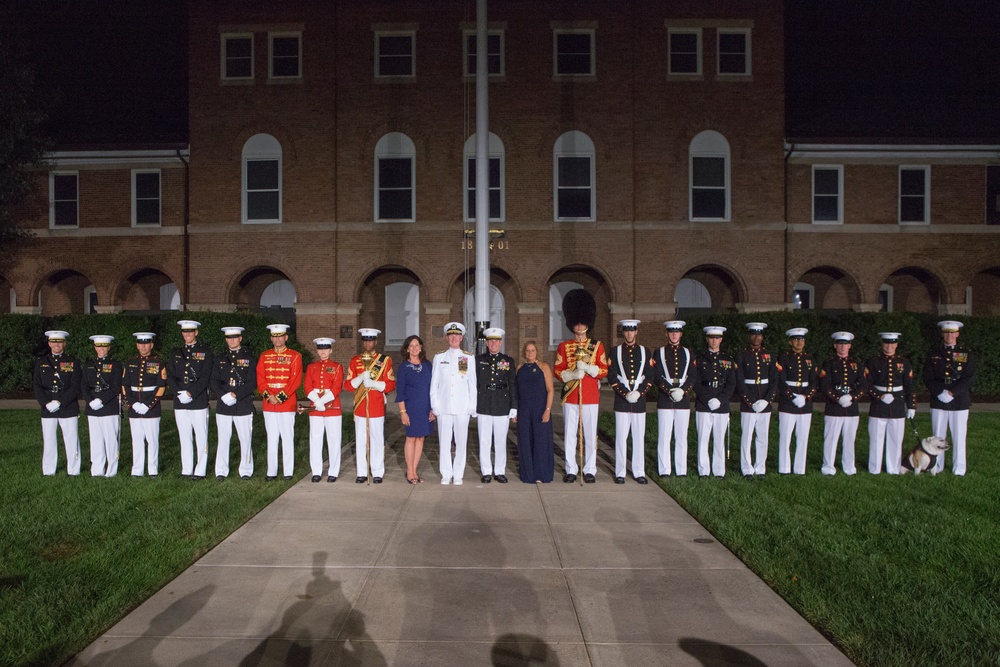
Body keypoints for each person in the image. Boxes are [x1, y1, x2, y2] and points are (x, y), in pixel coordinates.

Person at [554, 289, 608, 483]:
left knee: (590, 435)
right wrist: (571, 374)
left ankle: (590, 469)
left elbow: (603, 370)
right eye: (576, 321)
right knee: (570, 434)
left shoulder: (597, 346)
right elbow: (558, 371)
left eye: (582, 321)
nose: (579, 325)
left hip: (591, 396)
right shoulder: (563, 346)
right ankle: (571, 468)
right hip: (571, 397)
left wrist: (590, 369)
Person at [924, 320, 976, 476]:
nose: (949, 335)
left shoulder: (966, 353)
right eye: (946, 332)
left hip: (959, 400)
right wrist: (939, 392)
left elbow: (970, 378)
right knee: (938, 436)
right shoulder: (933, 353)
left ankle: (959, 468)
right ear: (942, 334)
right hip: (938, 398)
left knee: (959, 436)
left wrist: (952, 393)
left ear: (957, 334)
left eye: (952, 332)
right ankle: (937, 466)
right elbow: (927, 376)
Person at [345, 328, 395, 484]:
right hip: (360, 407)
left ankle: (377, 471)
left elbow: (391, 384)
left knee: (377, 440)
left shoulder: (384, 361)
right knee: (360, 440)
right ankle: (361, 472)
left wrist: (374, 383)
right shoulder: (355, 361)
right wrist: (360, 378)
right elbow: (348, 386)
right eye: (365, 340)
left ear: (376, 342)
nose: (368, 343)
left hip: (376, 406)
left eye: (370, 340)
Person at [430, 322, 477, 485]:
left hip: (462, 407)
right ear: (447, 338)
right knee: (444, 442)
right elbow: (434, 384)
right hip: (444, 407)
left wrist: (472, 406)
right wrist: (435, 405)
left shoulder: (468, 357)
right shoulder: (439, 357)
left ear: (461, 338)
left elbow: (472, 383)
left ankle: (458, 474)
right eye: (451, 335)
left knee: (461, 442)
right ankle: (446, 473)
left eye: (457, 335)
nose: (454, 338)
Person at [167, 319, 214, 479]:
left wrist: (190, 393)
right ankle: (186, 468)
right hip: (180, 400)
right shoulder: (175, 353)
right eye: (185, 332)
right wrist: (179, 392)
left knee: (201, 436)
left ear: (196, 333)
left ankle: (200, 469)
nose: (187, 334)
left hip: (198, 399)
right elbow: (171, 376)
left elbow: (206, 376)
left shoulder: (205, 352)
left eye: (190, 332)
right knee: (184, 436)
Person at [608, 319, 653, 484]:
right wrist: (624, 393)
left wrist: (640, 393)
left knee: (638, 437)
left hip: (639, 401)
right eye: (626, 331)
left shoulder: (645, 351)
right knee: (621, 438)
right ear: (623, 333)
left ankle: (639, 471)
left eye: (632, 330)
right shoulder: (614, 352)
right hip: (622, 401)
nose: (629, 333)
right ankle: (620, 472)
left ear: (636, 332)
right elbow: (612, 375)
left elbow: (650, 375)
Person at [864, 332, 915, 475]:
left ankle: (893, 468)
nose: (889, 346)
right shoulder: (873, 362)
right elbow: (867, 384)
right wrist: (879, 396)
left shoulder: (904, 362)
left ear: (896, 344)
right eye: (887, 343)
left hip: (897, 403)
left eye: (892, 343)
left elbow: (909, 386)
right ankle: (874, 468)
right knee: (875, 438)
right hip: (878, 404)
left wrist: (911, 406)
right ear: (882, 344)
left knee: (896, 439)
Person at [257, 323, 303, 481]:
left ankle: (288, 471)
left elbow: (295, 381)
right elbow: (260, 379)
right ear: (271, 338)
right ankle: (272, 471)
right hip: (269, 404)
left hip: (286, 403)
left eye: (280, 336)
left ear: (286, 337)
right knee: (271, 438)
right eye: (274, 336)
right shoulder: (264, 356)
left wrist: (280, 397)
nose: (277, 339)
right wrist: (269, 396)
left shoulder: (295, 356)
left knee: (287, 437)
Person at [33, 330, 81, 476]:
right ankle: (48, 470)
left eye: (59, 342)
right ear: (49, 344)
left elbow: (75, 385)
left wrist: (60, 402)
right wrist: (45, 403)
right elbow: (37, 385)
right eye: (54, 342)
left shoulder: (73, 362)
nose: (57, 345)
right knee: (49, 441)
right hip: (48, 407)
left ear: (64, 344)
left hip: (68, 406)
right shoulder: (41, 362)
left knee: (72, 439)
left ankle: (73, 470)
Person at [211, 326, 257, 480]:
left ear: (240, 339)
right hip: (224, 403)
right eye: (229, 338)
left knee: (245, 438)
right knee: (223, 438)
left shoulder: (249, 358)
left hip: (242, 403)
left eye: (235, 337)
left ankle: (246, 470)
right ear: (226, 340)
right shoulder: (220, 358)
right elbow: (214, 380)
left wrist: (236, 394)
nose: (232, 340)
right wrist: (222, 395)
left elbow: (252, 382)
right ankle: (221, 471)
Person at [652, 320, 695, 477]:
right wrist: (670, 390)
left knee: (681, 437)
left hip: (682, 400)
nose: (674, 334)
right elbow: (656, 375)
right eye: (671, 332)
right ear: (666, 334)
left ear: (681, 334)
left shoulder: (688, 352)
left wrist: (683, 391)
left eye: (677, 332)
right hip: (665, 399)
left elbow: (692, 375)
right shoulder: (659, 352)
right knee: (664, 436)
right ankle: (664, 469)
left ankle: (681, 470)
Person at [693, 326, 736, 478]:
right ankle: (703, 470)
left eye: (717, 338)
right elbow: (696, 382)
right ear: (707, 339)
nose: (714, 340)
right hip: (704, 404)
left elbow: (731, 383)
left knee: (719, 439)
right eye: (711, 337)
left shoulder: (728, 360)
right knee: (703, 439)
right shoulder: (699, 359)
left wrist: (720, 400)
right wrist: (707, 399)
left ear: (721, 339)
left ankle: (719, 471)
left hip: (721, 404)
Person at [476, 327, 518, 484]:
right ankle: (486, 471)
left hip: (502, 403)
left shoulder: (508, 361)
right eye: (491, 341)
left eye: (496, 341)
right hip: (484, 403)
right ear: (487, 343)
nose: (494, 344)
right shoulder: (478, 360)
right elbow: (474, 383)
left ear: (500, 343)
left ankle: (500, 471)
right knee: (484, 441)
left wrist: (514, 406)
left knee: (500, 441)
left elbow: (512, 384)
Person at [734, 322, 776, 478]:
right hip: (748, 402)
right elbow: (740, 380)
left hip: (764, 400)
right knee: (747, 436)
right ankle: (746, 467)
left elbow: (774, 380)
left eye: (759, 334)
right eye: (753, 334)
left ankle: (760, 467)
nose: (756, 337)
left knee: (763, 437)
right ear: (749, 336)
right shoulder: (742, 355)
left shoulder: (769, 355)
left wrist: (767, 400)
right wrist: (750, 401)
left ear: (762, 336)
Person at [818, 332, 863, 476]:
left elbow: (863, 385)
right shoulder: (829, 363)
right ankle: (828, 467)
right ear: (835, 345)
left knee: (850, 439)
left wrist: (852, 397)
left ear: (850, 346)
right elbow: (824, 385)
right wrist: (837, 398)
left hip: (851, 407)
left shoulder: (857, 364)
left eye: (845, 344)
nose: (843, 347)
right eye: (840, 344)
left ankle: (849, 467)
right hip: (833, 407)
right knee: (831, 438)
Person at [775, 328, 817, 475]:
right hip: (787, 402)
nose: (799, 342)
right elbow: (781, 381)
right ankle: (784, 468)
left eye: (802, 339)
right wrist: (792, 396)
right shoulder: (784, 358)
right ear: (790, 341)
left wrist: (805, 397)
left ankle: (800, 468)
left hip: (805, 403)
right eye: (796, 339)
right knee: (785, 437)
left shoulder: (810, 359)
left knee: (803, 437)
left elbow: (814, 382)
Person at [124, 332, 167, 477]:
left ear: (151, 345)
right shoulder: (130, 362)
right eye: (140, 343)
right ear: (137, 345)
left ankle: (152, 469)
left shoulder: (158, 362)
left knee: (152, 440)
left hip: (151, 407)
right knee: (136, 440)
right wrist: (132, 403)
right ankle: (137, 470)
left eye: (146, 343)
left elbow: (161, 385)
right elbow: (125, 385)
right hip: (134, 406)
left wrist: (149, 404)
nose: (143, 346)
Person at [81, 334, 123, 477]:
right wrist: (90, 401)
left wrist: (102, 400)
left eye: (104, 346)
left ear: (109, 347)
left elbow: (116, 386)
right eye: (99, 346)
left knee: (111, 439)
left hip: (109, 406)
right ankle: (97, 469)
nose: (101, 349)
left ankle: (111, 469)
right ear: (95, 347)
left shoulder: (116, 365)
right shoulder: (88, 365)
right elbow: (84, 385)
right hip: (92, 406)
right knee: (96, 440)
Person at [304, 337, 344, 483]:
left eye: (326, 349)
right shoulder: (311, 367)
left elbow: (337, 387)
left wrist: (322, 401)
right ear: (317, 350)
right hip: (315, 407)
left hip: (332, 406)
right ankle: (316, 471)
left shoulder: (337, 367)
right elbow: (307, 386)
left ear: (331, 350)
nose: (323, 352)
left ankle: (333, 471)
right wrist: (316, 400)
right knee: (315, 439)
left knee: (333, 440)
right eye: (320, 349)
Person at [396, 334, 434, 484]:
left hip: (425, 407)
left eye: (417, 345)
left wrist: (432, 409)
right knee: (411, 438)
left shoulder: (427, 365)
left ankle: (415, 470)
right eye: (411, 346)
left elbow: (433, 388)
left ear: (421, 348)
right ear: (406, 348)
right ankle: (409, 471)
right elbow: (400, 392)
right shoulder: (403, 367)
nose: (414, 348)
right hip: (411, 408)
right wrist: (403, 412)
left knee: (421, 438)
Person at [516, 341, 555, 483]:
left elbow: (550, 390)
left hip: (540, 409)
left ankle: (541, 474)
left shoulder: (543, 367)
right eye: (527, 350)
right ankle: (528, 475)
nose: (530, 353)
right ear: (524, 352)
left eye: (532, 350)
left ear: (537, 351)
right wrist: (516, 412)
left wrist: (548, 410)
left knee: (540, 442)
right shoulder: (520, 367)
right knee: (525, 441)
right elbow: (516, 391)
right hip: (524, 410)